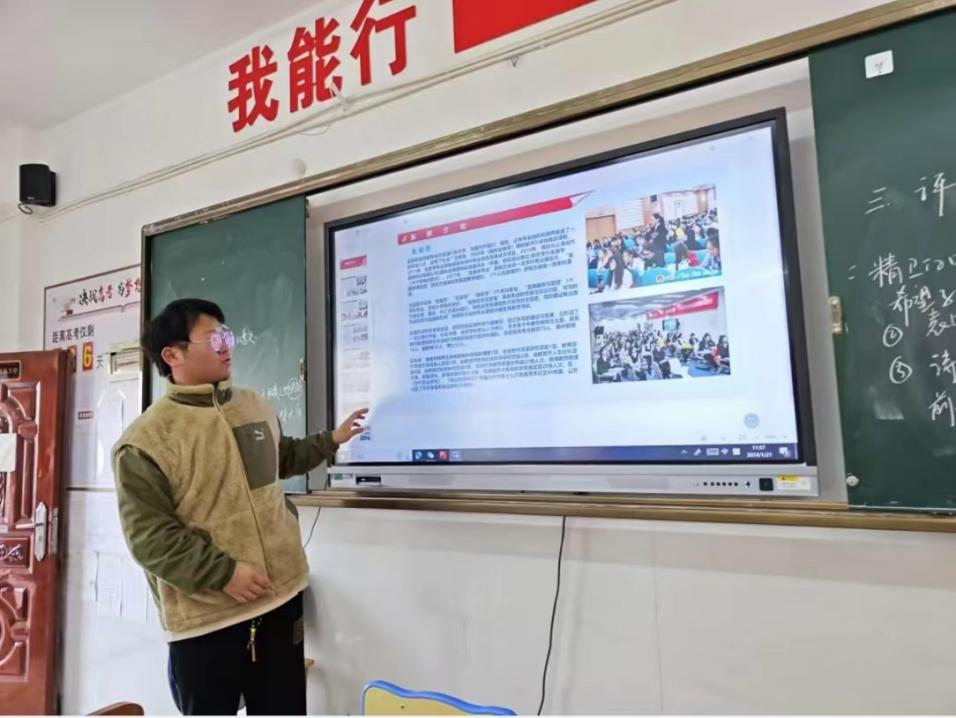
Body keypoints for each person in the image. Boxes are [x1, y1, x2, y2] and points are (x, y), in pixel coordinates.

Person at [112, 299, 368, 716]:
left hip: (280, 598)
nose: (226, 345)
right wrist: (224, 573)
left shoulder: (252, 405)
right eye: (213, 338)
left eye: (226, 335)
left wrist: (331, 440)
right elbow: (151, 539)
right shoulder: (146, 442)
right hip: (208, 621)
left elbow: (282, 458)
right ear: (172, 355)